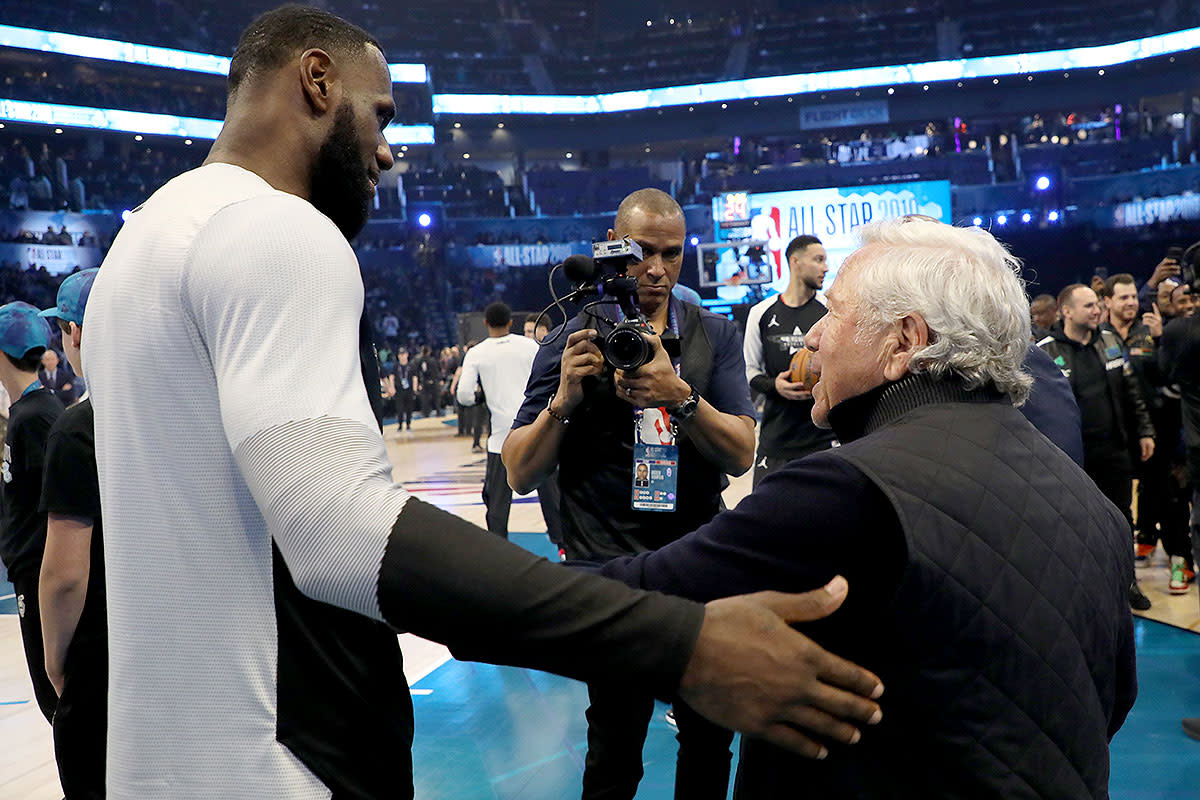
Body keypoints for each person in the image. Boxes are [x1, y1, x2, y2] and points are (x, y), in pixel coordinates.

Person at [81, 8, 884, 799]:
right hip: (282, 756)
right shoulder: (277, 231)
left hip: (156, 751)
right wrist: (675, 639)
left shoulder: (141, 242)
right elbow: (339, 535)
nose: (386, 151)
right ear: (317, 81)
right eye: (381, 116)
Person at [600, 217, 1137, 797]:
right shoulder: (1096, 506)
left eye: (834, 313)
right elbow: (1111, 701)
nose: (812, 338)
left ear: (903, 341)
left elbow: (615, 604)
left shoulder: (848, 490)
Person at [504, 188, 757, 799]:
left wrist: (681, 397)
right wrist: (563, 402)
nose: (657, 269)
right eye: (643, 252)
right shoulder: (572, 339)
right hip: (609, 568)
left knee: (708, 741)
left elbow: (741, 452)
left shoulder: (714, 335)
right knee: (613, 748)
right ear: (614, 249)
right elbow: (518, 472)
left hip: (697, 561)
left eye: (672, 254)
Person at [1038, 284, 1155, 610]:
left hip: (1114, 449)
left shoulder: (1109, 341)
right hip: (1073, 457)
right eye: (1088, 305)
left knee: (1122, 518)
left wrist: (1145, 431)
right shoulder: (1045, 351)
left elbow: (1131, 390)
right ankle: (1084, 590)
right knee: (1077, 524)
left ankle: (1127, 582)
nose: (1096, 310)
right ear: (1067, 311)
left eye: (1096, 304)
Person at [37, 268, 106, 799]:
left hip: (102, 659)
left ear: (75, 333)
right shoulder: (186, 414)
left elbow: (64, 576)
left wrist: (56, 662)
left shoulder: (78, 430)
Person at [0, 302, 65, 723]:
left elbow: (55, 506)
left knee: (54, 695)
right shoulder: (27, 412)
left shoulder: (37, 418)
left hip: (39, 572)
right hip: (28, 568)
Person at [743, 235, 837, 485]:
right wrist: (775, 386)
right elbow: (750, 371)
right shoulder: (761, 312)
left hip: (823, 440)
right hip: (777, 441)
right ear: (795, 262)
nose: (826, 267)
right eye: (818, 260)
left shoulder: (830, 312)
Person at [456, 302, 539, 537]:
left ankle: (499, 550)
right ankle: (564, 548)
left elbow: (464, 395)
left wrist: (479, 397)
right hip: (536, 434)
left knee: (497, 504)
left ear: (485, 324)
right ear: (511, 322)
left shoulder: (476, 353)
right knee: (552, 498)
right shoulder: (530, 346)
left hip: (501, 440)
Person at [392, 348, 416, 431]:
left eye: (404, 354)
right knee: (400, 408)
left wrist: (414, 389)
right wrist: (392, 387)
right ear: (398, 356)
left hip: (409, 390)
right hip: (399, 390)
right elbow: (392, 376)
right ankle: (400, 425)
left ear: (407, 355)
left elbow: (415, 377)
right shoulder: (396, 366)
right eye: (400, 355)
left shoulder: (411, 365)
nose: (402, 356)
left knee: (409, 408)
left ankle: (408, 424)